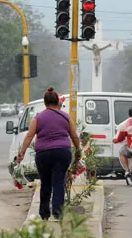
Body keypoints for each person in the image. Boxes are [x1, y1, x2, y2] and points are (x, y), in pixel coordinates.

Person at [16, 86, 82, 220]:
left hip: (43, 154)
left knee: (45, 183)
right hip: (62, 153)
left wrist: (21, 153)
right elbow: (74, 136)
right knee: (58, 181)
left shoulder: (38, 118)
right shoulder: (66, 117)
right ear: (58, 102)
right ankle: (58, 213)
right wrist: (78, 151)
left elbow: (29, 136)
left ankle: (44, 213)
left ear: (45, 103)